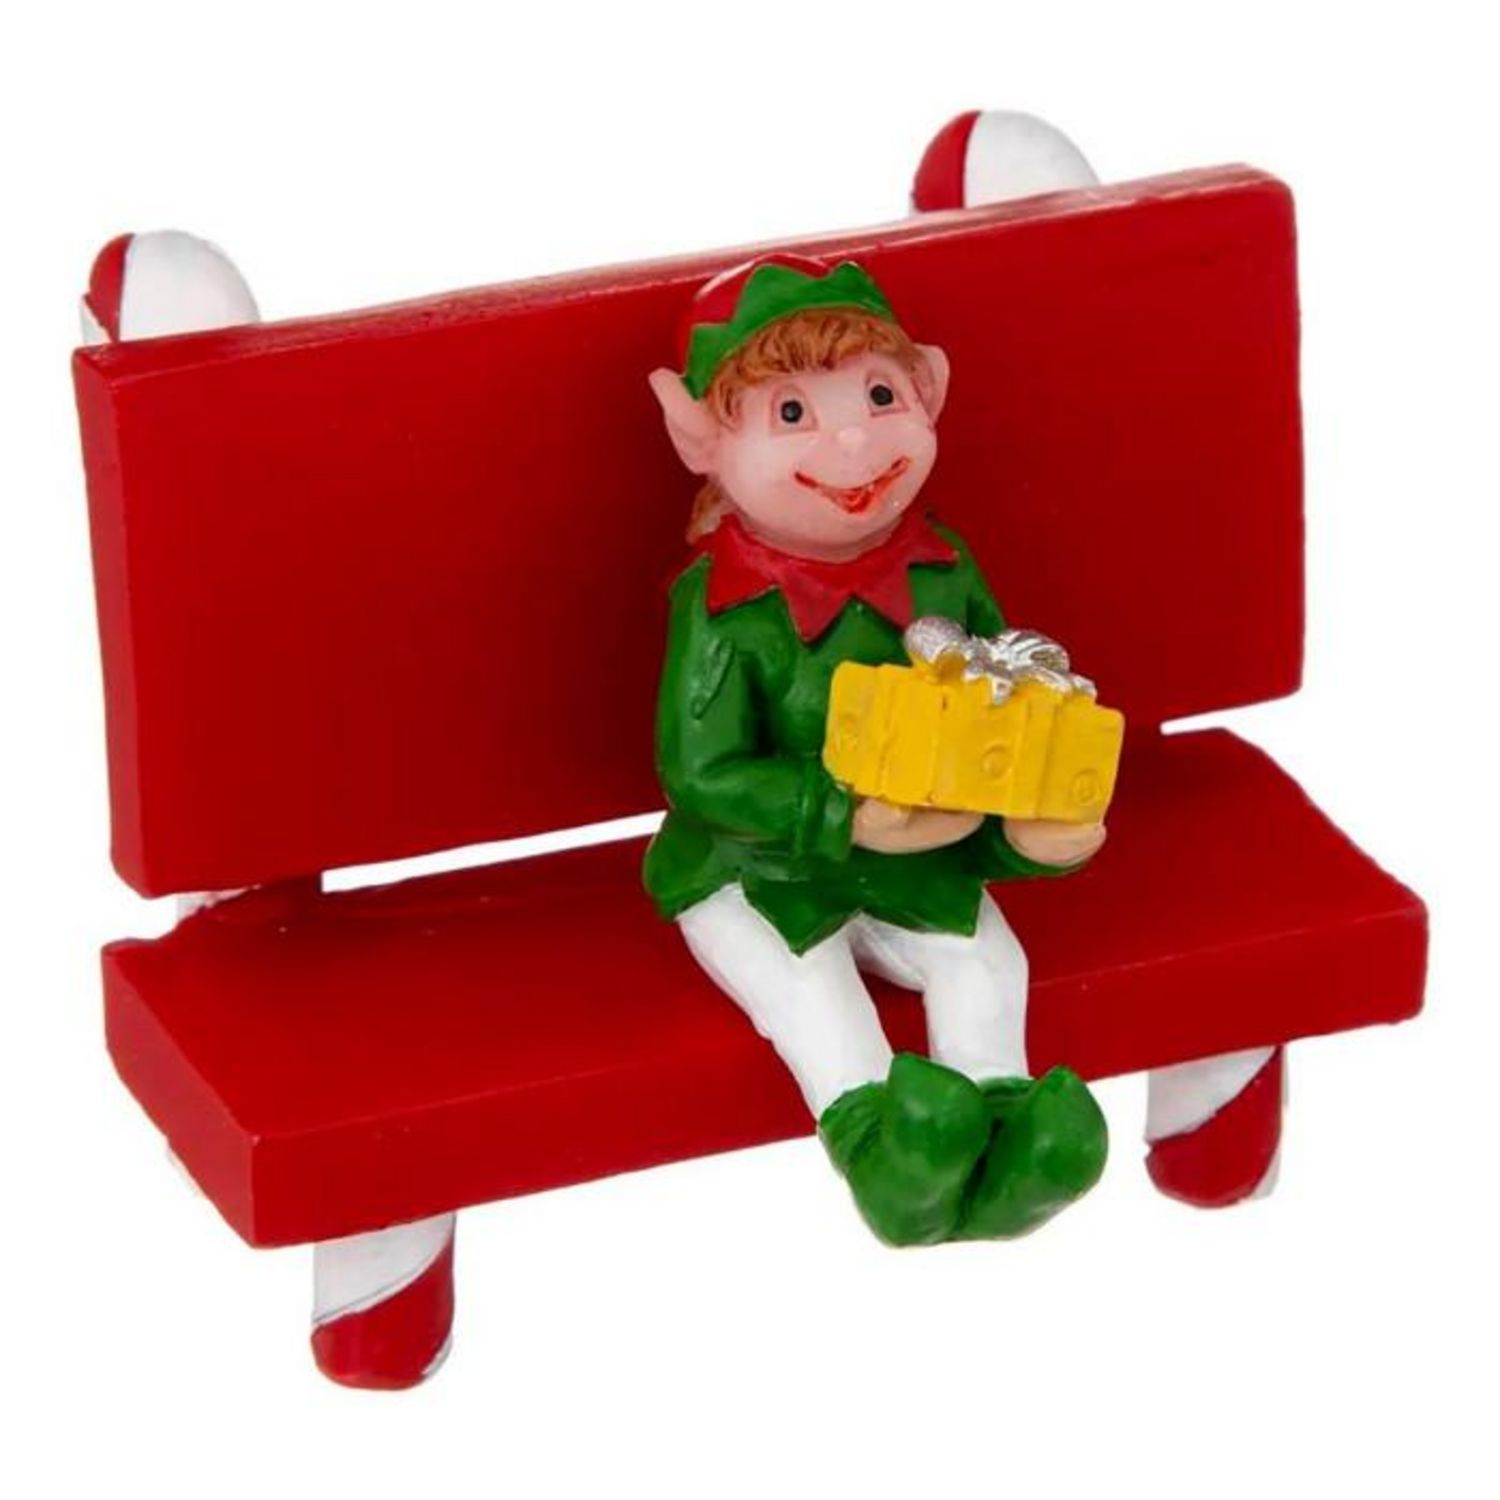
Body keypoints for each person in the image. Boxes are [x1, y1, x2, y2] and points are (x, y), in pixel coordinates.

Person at [644, 254, 1108, 1245]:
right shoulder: (723, 609)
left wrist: (1029, 835)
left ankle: (1008, 1145)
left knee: (985, 965)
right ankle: (884, 1158)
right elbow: (701, 774)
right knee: (812, 989)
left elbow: (996, 712)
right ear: (701, 439)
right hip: (755, 872)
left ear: (928, 389)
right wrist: (840, 813)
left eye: (881, 395)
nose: (854, 439)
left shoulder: (942, 570)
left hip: (917, 858)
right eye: (793, 414)